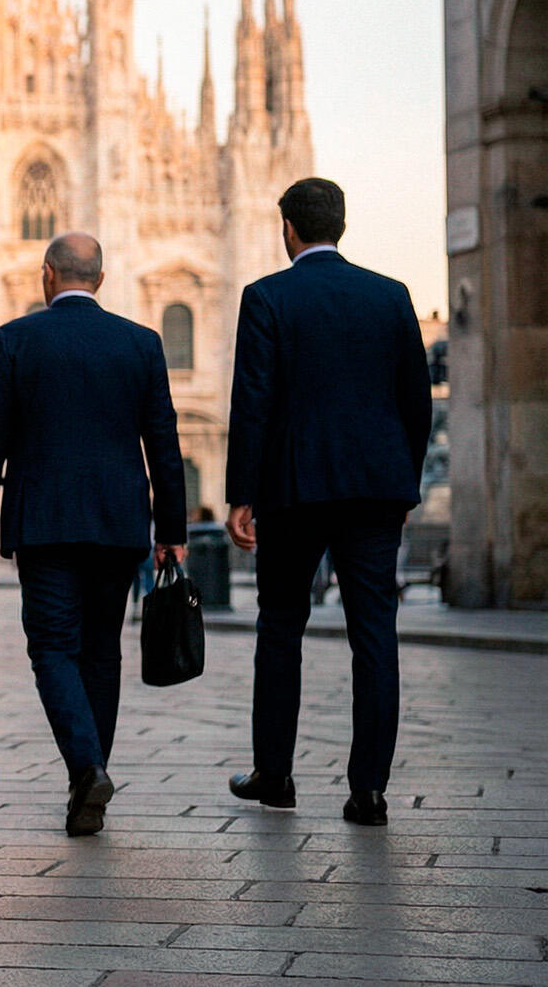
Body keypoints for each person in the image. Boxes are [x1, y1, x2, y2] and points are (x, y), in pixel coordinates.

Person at [223, 178, 432, 828]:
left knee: (281, 627)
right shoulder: (390, 296)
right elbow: (416, 404)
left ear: (288, 227)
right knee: (375, 636)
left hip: (292, 492)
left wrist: (242, 496)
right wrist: (405, 485)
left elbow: (252, 404)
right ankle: (368, 790)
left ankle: (276, 775)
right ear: (340, 225)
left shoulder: (267, 297)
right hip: (374, 493)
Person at [0, 233, 187, 837]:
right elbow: (163, 445)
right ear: (102, 278)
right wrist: (172, 529)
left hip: (42, 521)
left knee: (52, 648)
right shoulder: (140, 343)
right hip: (118, 523)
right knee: (101, 650)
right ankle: (91, 777)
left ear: (46, 275)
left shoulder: (15, 339)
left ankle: (87, 768)